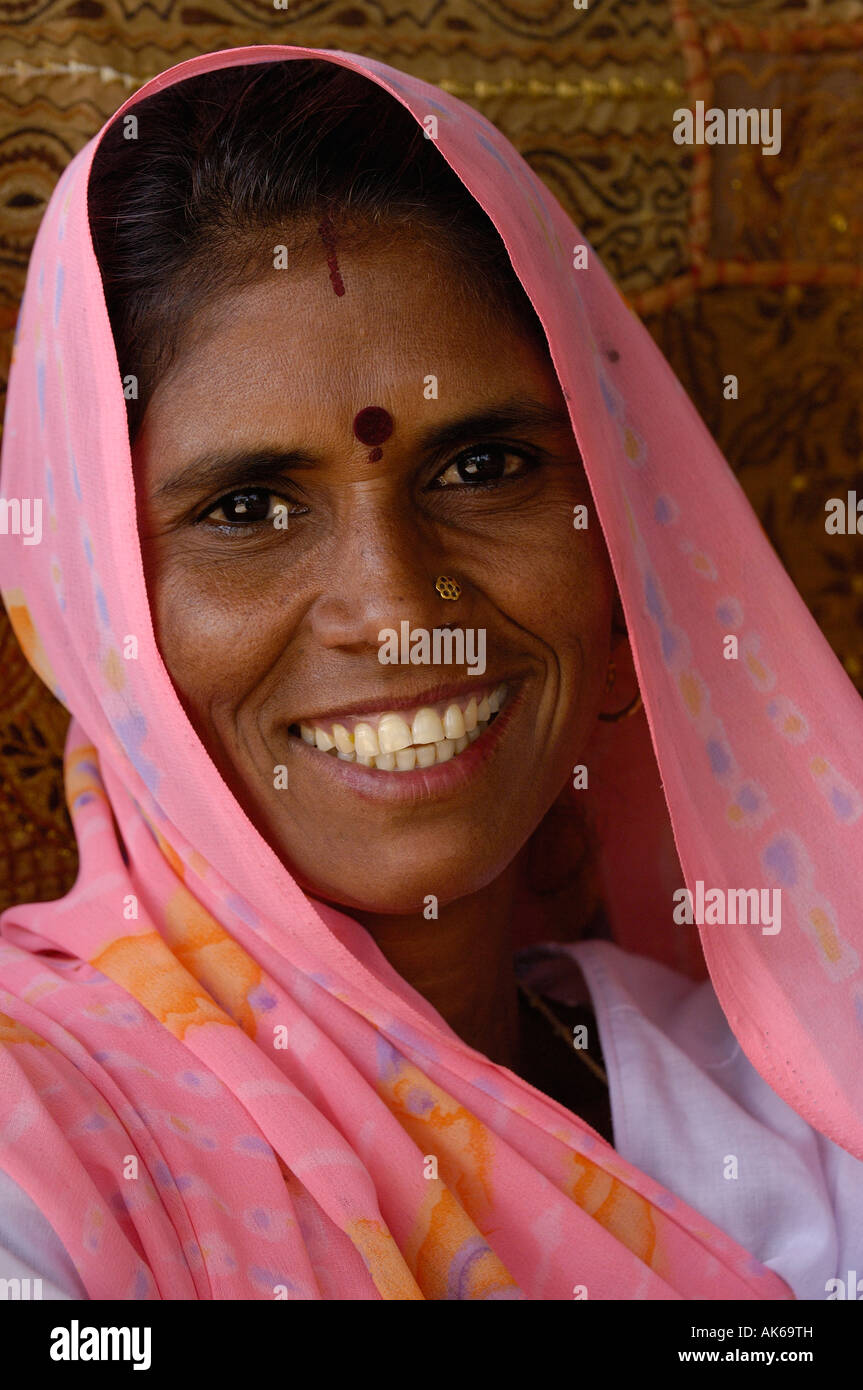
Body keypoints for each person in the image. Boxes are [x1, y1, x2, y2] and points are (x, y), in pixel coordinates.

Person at [0, 44, 861, 1302]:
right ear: (95, 612)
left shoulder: (794, 1099)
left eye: (481, 469)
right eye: (248, 507)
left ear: (620, 544)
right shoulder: (47, 1138)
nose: (401, 613)